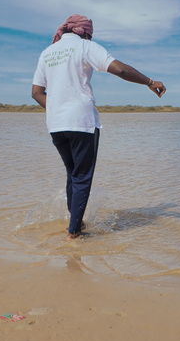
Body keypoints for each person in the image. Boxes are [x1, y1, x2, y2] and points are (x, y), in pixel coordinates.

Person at [32, 14, 166, 241]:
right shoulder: (85, 46)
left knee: (72, 174)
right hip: (82, 122)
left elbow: (36, 93)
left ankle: (76, 220)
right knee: (82, 177)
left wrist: (57, 108)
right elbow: (120, 70)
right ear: (84, 31)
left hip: (55, 124)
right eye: (91, 33)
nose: (91, 36)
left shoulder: (47, 52)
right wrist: (150, 82)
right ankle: (73, 233)